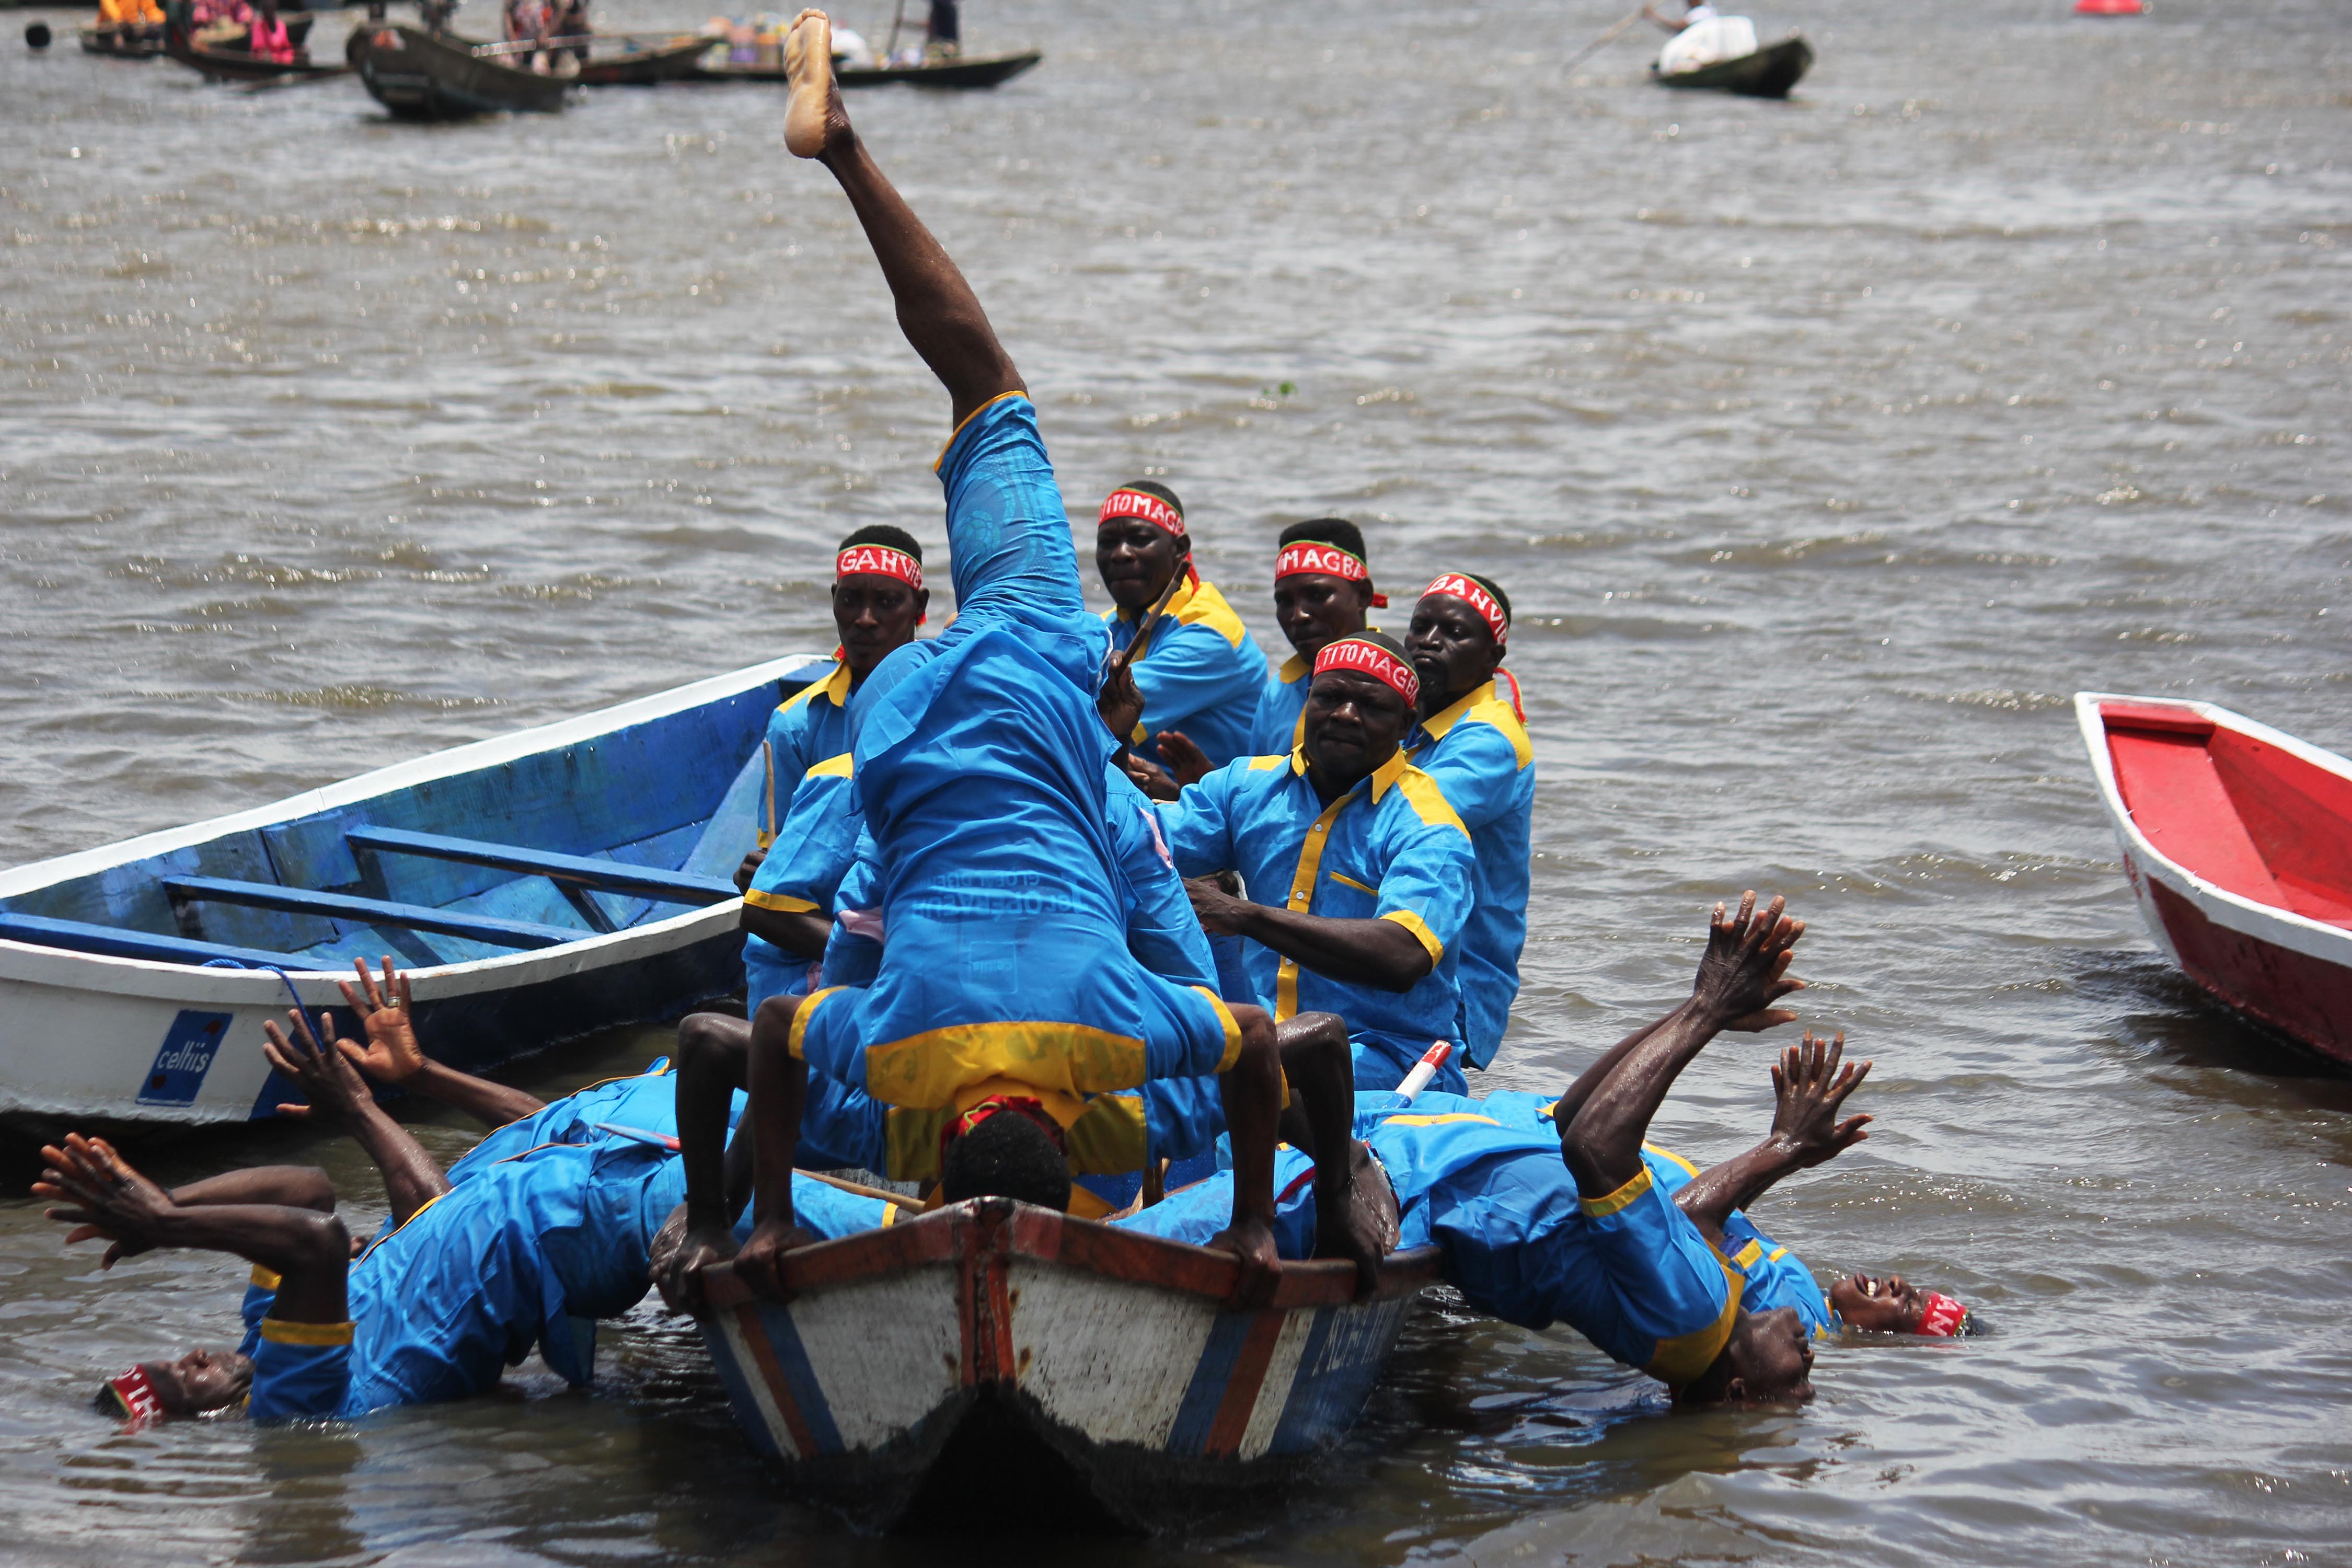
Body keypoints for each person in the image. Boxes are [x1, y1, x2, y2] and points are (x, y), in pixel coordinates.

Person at [655, 11, 1290, 1314]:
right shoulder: (1082, 846)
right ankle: (835, 144)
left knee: (986, 386)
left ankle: (843, 152)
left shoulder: (1010, 953)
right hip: (907, 735)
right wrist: (1250, 1215)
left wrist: (747, 1215)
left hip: (1005, 673)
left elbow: (779, 960)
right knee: (835, 923)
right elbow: (1191, 960)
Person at [1157, 630, 1479, 1096]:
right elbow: (1134, 843)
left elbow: (1401, 955)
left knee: (1225, 1080)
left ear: (1408, 724)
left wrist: (1244, 915)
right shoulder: (1244, 786)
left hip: (1391, 1057)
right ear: (1308, 702)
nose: (1345, 716)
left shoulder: (1429, 827)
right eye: (1330, 697)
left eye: (1371, 707)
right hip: (1269, 1036)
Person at [733, 525, 930, 1011]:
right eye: (850, 601)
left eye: (887, 602)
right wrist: (760, 873)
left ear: (919, 607)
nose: (865, 620)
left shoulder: (939, 706)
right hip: (814, 937)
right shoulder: (795, 725)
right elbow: (777, 860)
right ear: (833, 602)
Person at [1403, 571, 1531, 1073]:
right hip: (1409, 956)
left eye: (1454, 633)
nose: (1430, 643)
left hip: (1459, 982)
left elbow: (1399, 817)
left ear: (1492, 658)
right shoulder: (1411, 723)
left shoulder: (1491, 740)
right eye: (1421, 627)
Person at [1097, 480, 1270, 775]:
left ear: (1180, 550)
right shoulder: (1107, 624)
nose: (1120, 554)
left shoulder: (1212, 635)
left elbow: (1097, 707)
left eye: (1139, 539)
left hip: (1220, 807)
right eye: (1108, 542)